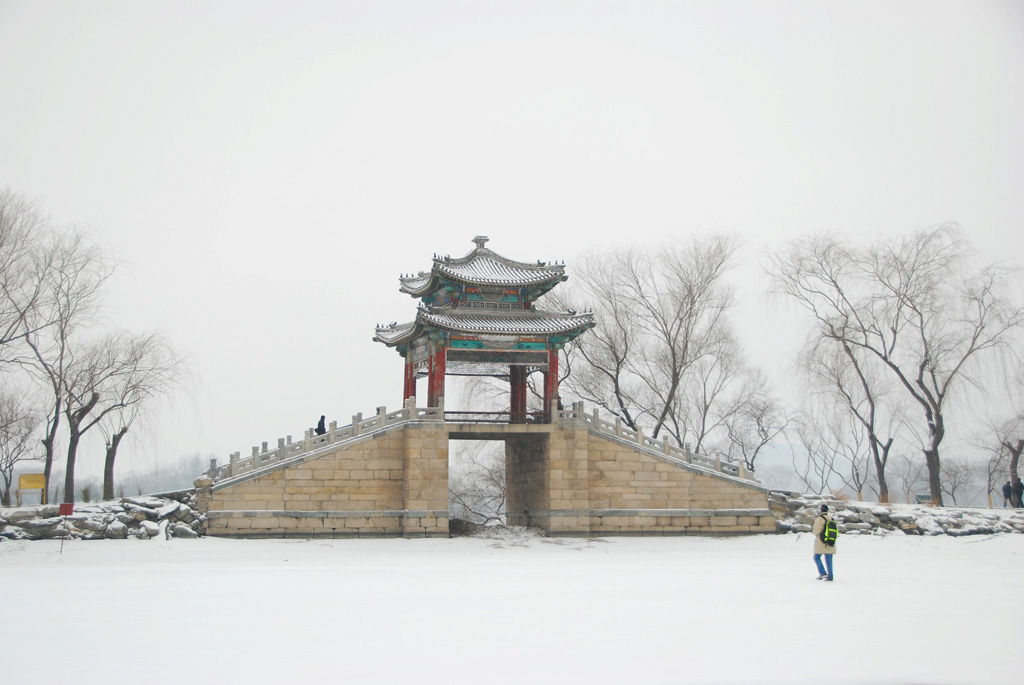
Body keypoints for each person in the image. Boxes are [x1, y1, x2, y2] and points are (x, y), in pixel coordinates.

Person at [812, 504, 836, 581]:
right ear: (827, 510)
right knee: (829, 559)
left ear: (820, 510)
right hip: (830, 541)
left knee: (816, 557)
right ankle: (830, 575)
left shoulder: (819, 519)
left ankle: (822, 573)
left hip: (821, 542)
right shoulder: (831, 518)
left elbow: (816, 530)